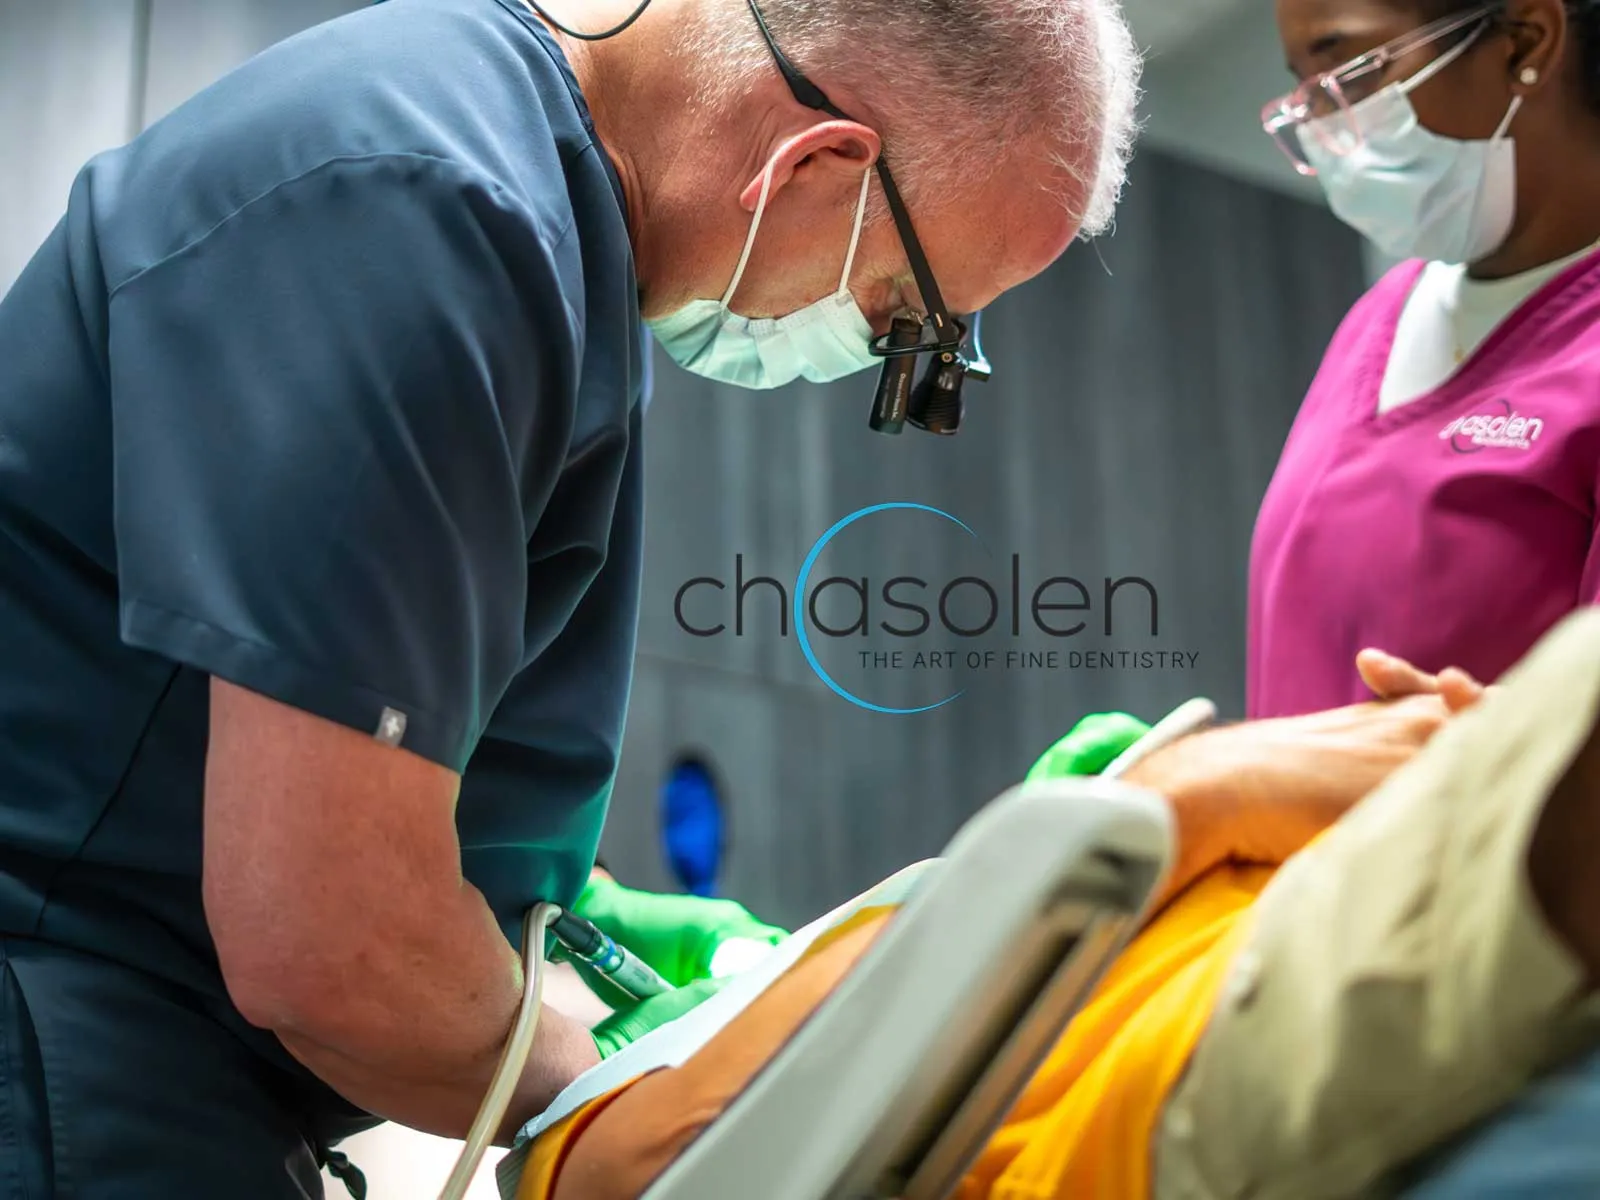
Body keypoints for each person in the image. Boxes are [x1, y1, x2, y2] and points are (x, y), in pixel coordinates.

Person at [0, 0, 1142, 1193]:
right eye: (906, 321)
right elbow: (331, 945)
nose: (882, 362)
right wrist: (645, 1077)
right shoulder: (426, 210)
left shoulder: (540, 229)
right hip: (60, 1058)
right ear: (818, 162)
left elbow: (332, 726)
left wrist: (556, 911)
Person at [508, 608, 1600, 1200]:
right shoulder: (590, 1125)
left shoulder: (766, 990)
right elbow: (640, 1171)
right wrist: (1178, 799)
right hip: (1213, 1042)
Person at [1248, 0, 1600, 720]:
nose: (1322, 129)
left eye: (1351, 68)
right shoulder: (1378, 320)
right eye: (1306, 89)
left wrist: (1235, 784)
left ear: (1525, 42)